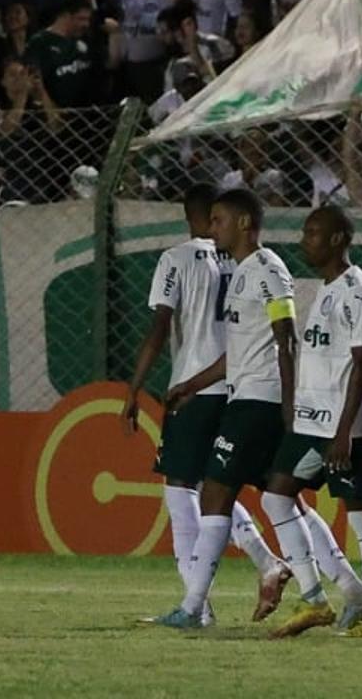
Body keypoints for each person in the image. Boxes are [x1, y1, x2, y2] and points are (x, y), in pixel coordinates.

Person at [122, 183, 293, 627]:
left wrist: (134, 387)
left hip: (197, 387)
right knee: (216, 487)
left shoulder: (176, 259)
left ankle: (197, 607)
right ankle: (265, 565)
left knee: (182, 494)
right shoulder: (240, 261)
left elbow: (160, 327)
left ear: (189, 215)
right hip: (232, 386)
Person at [259, 205, 362, 639]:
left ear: (338, 239)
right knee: (276, 495)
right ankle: (318, 598)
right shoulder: (327, 289)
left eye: (315, 233)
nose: (305, 239)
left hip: (346, 426)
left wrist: (344, 432)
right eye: (306, 231)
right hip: (311, 422)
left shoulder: (360, 290)